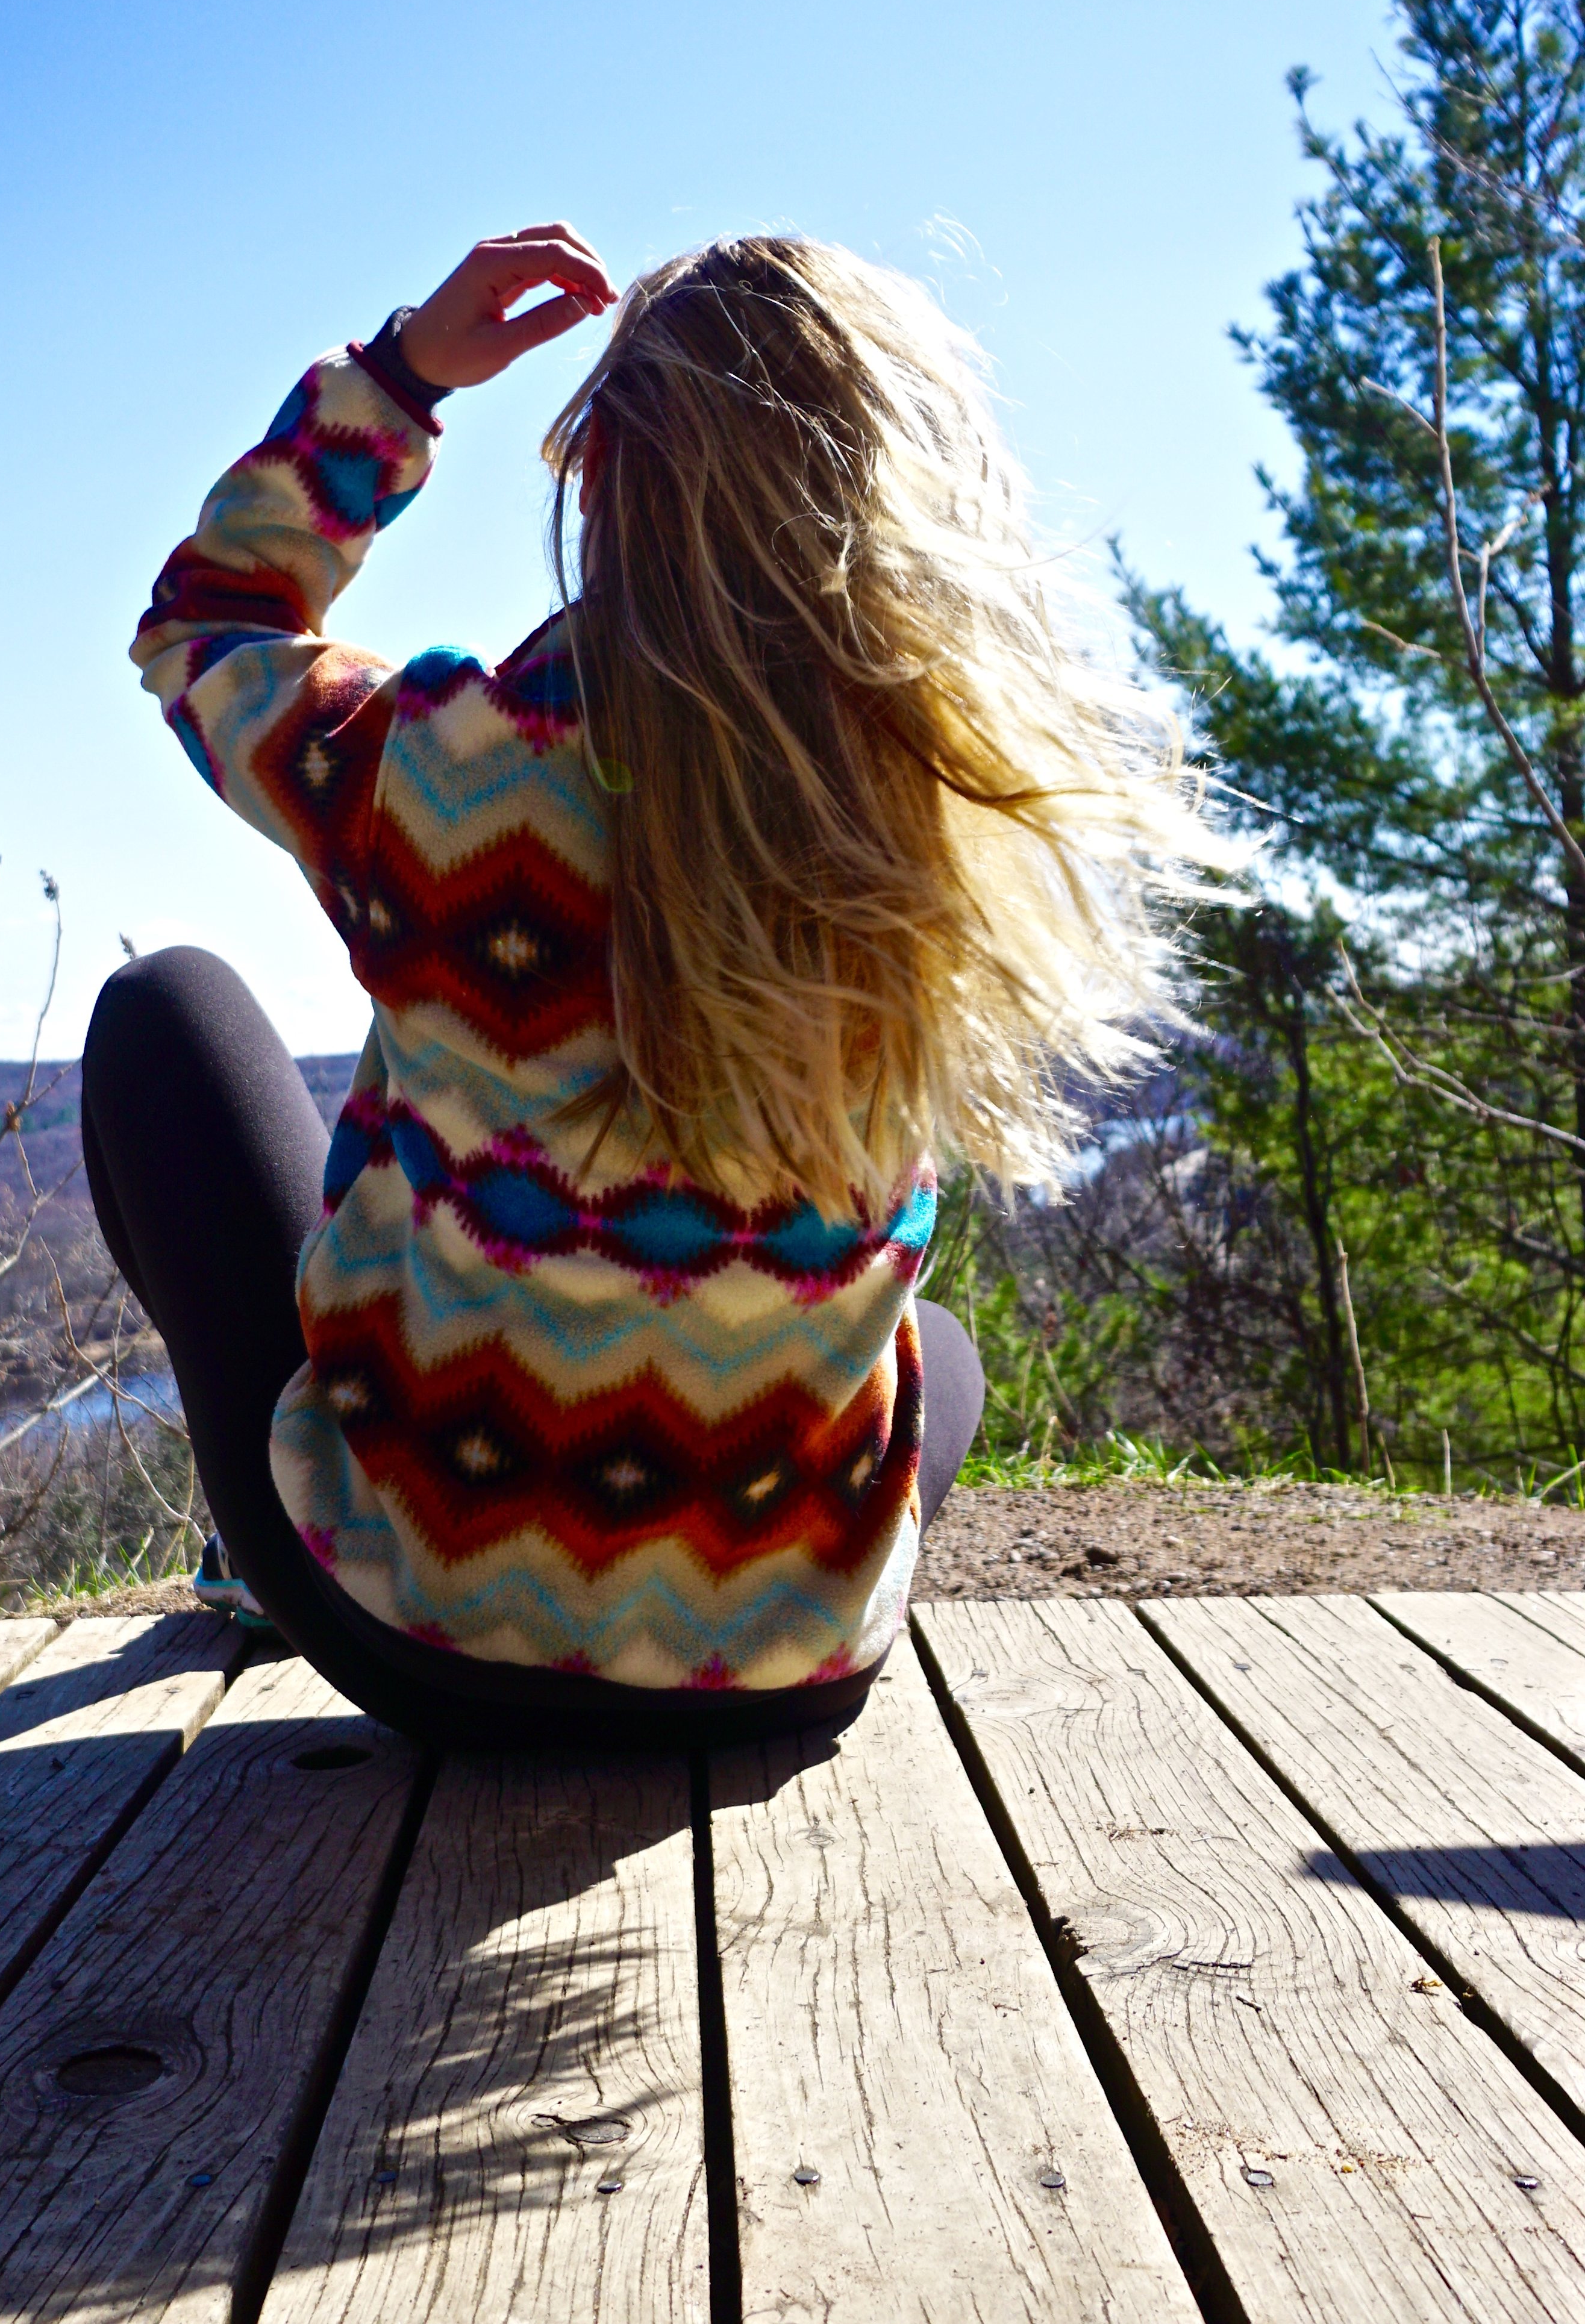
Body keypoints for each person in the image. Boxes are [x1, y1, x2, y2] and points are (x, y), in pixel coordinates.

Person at [84, 225, 1214, 1752]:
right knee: (940, 1358)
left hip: (420, 1637)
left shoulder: (450, 774)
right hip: (790, 1669)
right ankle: (733, 1567)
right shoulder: (947, 824)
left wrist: (403, 374)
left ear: (597, 468)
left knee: (168, 1018)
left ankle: (268, 1545)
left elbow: (205, 628)